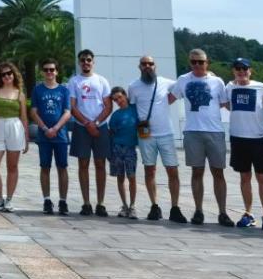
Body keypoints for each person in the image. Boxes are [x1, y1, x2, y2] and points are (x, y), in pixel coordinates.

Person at [169, 48, 233, 226]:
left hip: (215, 131)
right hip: (192, 131)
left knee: (218, 172)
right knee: (197, 171)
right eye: (193, 62)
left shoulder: (217, 81)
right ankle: (198, 211)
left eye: (201, 62)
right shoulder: (183, 80)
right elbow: (168, 98)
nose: (197, 65)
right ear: (189, 63)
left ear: (207, 63)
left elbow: (225, 103)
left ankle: (222, 212)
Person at [126, 55, 184, 222]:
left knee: (172, 170)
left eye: (150, 64)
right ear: (139, 67)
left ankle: (175, 207)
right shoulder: (133, 86)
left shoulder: (165, 82)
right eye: (144, 64)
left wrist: (208, 74)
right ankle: (154, 205)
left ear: (155, 66)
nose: (147, 66)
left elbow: (181, 86)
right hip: (146, 135)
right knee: (149, 170)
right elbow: (132, 108)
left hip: (166, 133)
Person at [225, 58, 263, 230]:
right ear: (233, 71)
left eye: (244, 69)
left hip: (258, 138)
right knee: (244, 177)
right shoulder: (229, 87)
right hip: (238, 137)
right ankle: (248, 213)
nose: (241, 72)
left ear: (250, 71)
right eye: (238, 69)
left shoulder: (261, 87)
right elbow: (225, 104)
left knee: (262, 177)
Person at [68, 49, 111, 216]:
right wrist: (87, 123)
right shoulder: (74, 81)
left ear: (93, 62)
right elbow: (72, 106)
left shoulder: (102, 80)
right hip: (81, 127)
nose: (86, 62)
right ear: (79, 62)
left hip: (101, 126)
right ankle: (86, 203)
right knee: (83, 164)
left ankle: (101, 203)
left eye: (88, 60)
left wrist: (96, 123)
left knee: (100, 164)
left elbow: (108, 105)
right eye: (83, 60)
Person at [0, 60, 29, 211]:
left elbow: (24, 117)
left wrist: (26, 138)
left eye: (9, 73)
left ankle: (9, 199)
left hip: (15, 128)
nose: (7, 76)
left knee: (12, 166)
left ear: (14, 74)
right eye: (3, 74)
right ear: (0, 77)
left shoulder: (20, 94)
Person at [30, 58, 71, 216]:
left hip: (60, 136)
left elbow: (67, 112)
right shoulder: (37, 90)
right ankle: (47, 200)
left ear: (57, 72)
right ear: (42, 72)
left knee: (62, 167)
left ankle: (63, 201)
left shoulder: (64, 90)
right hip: (44, 135)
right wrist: (45, 128)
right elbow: (34, 112)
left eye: (52, 69)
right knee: (45, 167)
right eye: (46, 69)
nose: (49, 72)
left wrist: (55, 128)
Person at [108, 87, 139, 218]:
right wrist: (110, 153)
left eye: (120, 97)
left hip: (130, 148)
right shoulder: (115, 115)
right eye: (116, 100)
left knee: (132, 177)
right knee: (120, 177)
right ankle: (124, 205)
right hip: (117, 148)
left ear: (125, 95)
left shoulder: (135, 110)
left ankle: (132, 206)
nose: (119, 101)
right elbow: (111, 133)